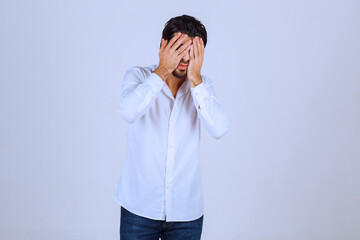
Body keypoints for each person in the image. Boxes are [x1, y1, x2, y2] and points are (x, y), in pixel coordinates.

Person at [112, 14, 229, 240]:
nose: (185, 58)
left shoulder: (202, 88)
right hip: (139, 208)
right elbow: (128, 111)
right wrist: (162, 71)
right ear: (163, 45)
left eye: (192, 51)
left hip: (186, 214)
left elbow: (220, 129)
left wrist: (195, 79)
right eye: (178, 48)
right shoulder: (138, 76)